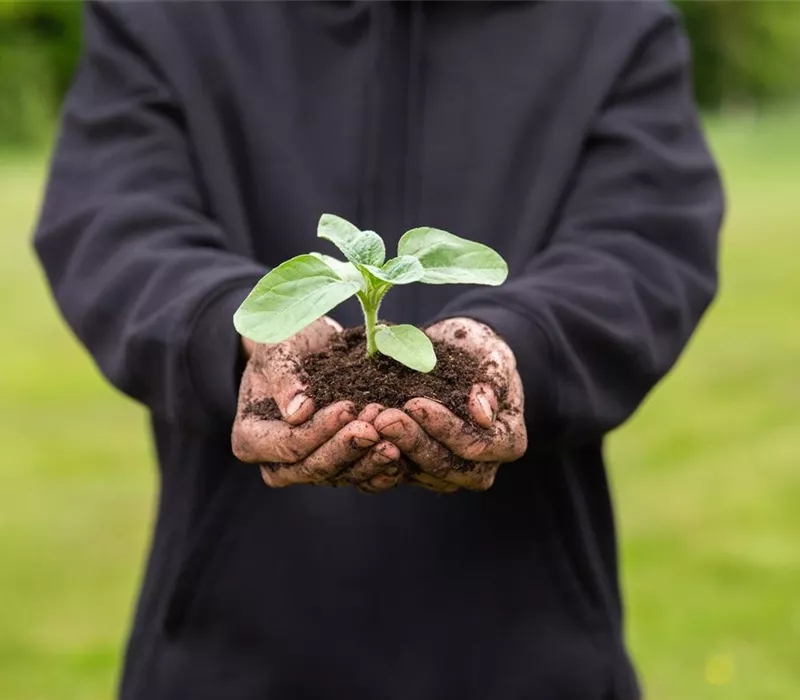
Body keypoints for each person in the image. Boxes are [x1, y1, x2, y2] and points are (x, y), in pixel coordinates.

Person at [34, 0, 723, 698]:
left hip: (528, 657)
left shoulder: (611, 20)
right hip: (228, 655)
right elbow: (111, 223)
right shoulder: (162, 15)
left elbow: (645, 242)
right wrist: (230, 329)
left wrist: (525, 347)